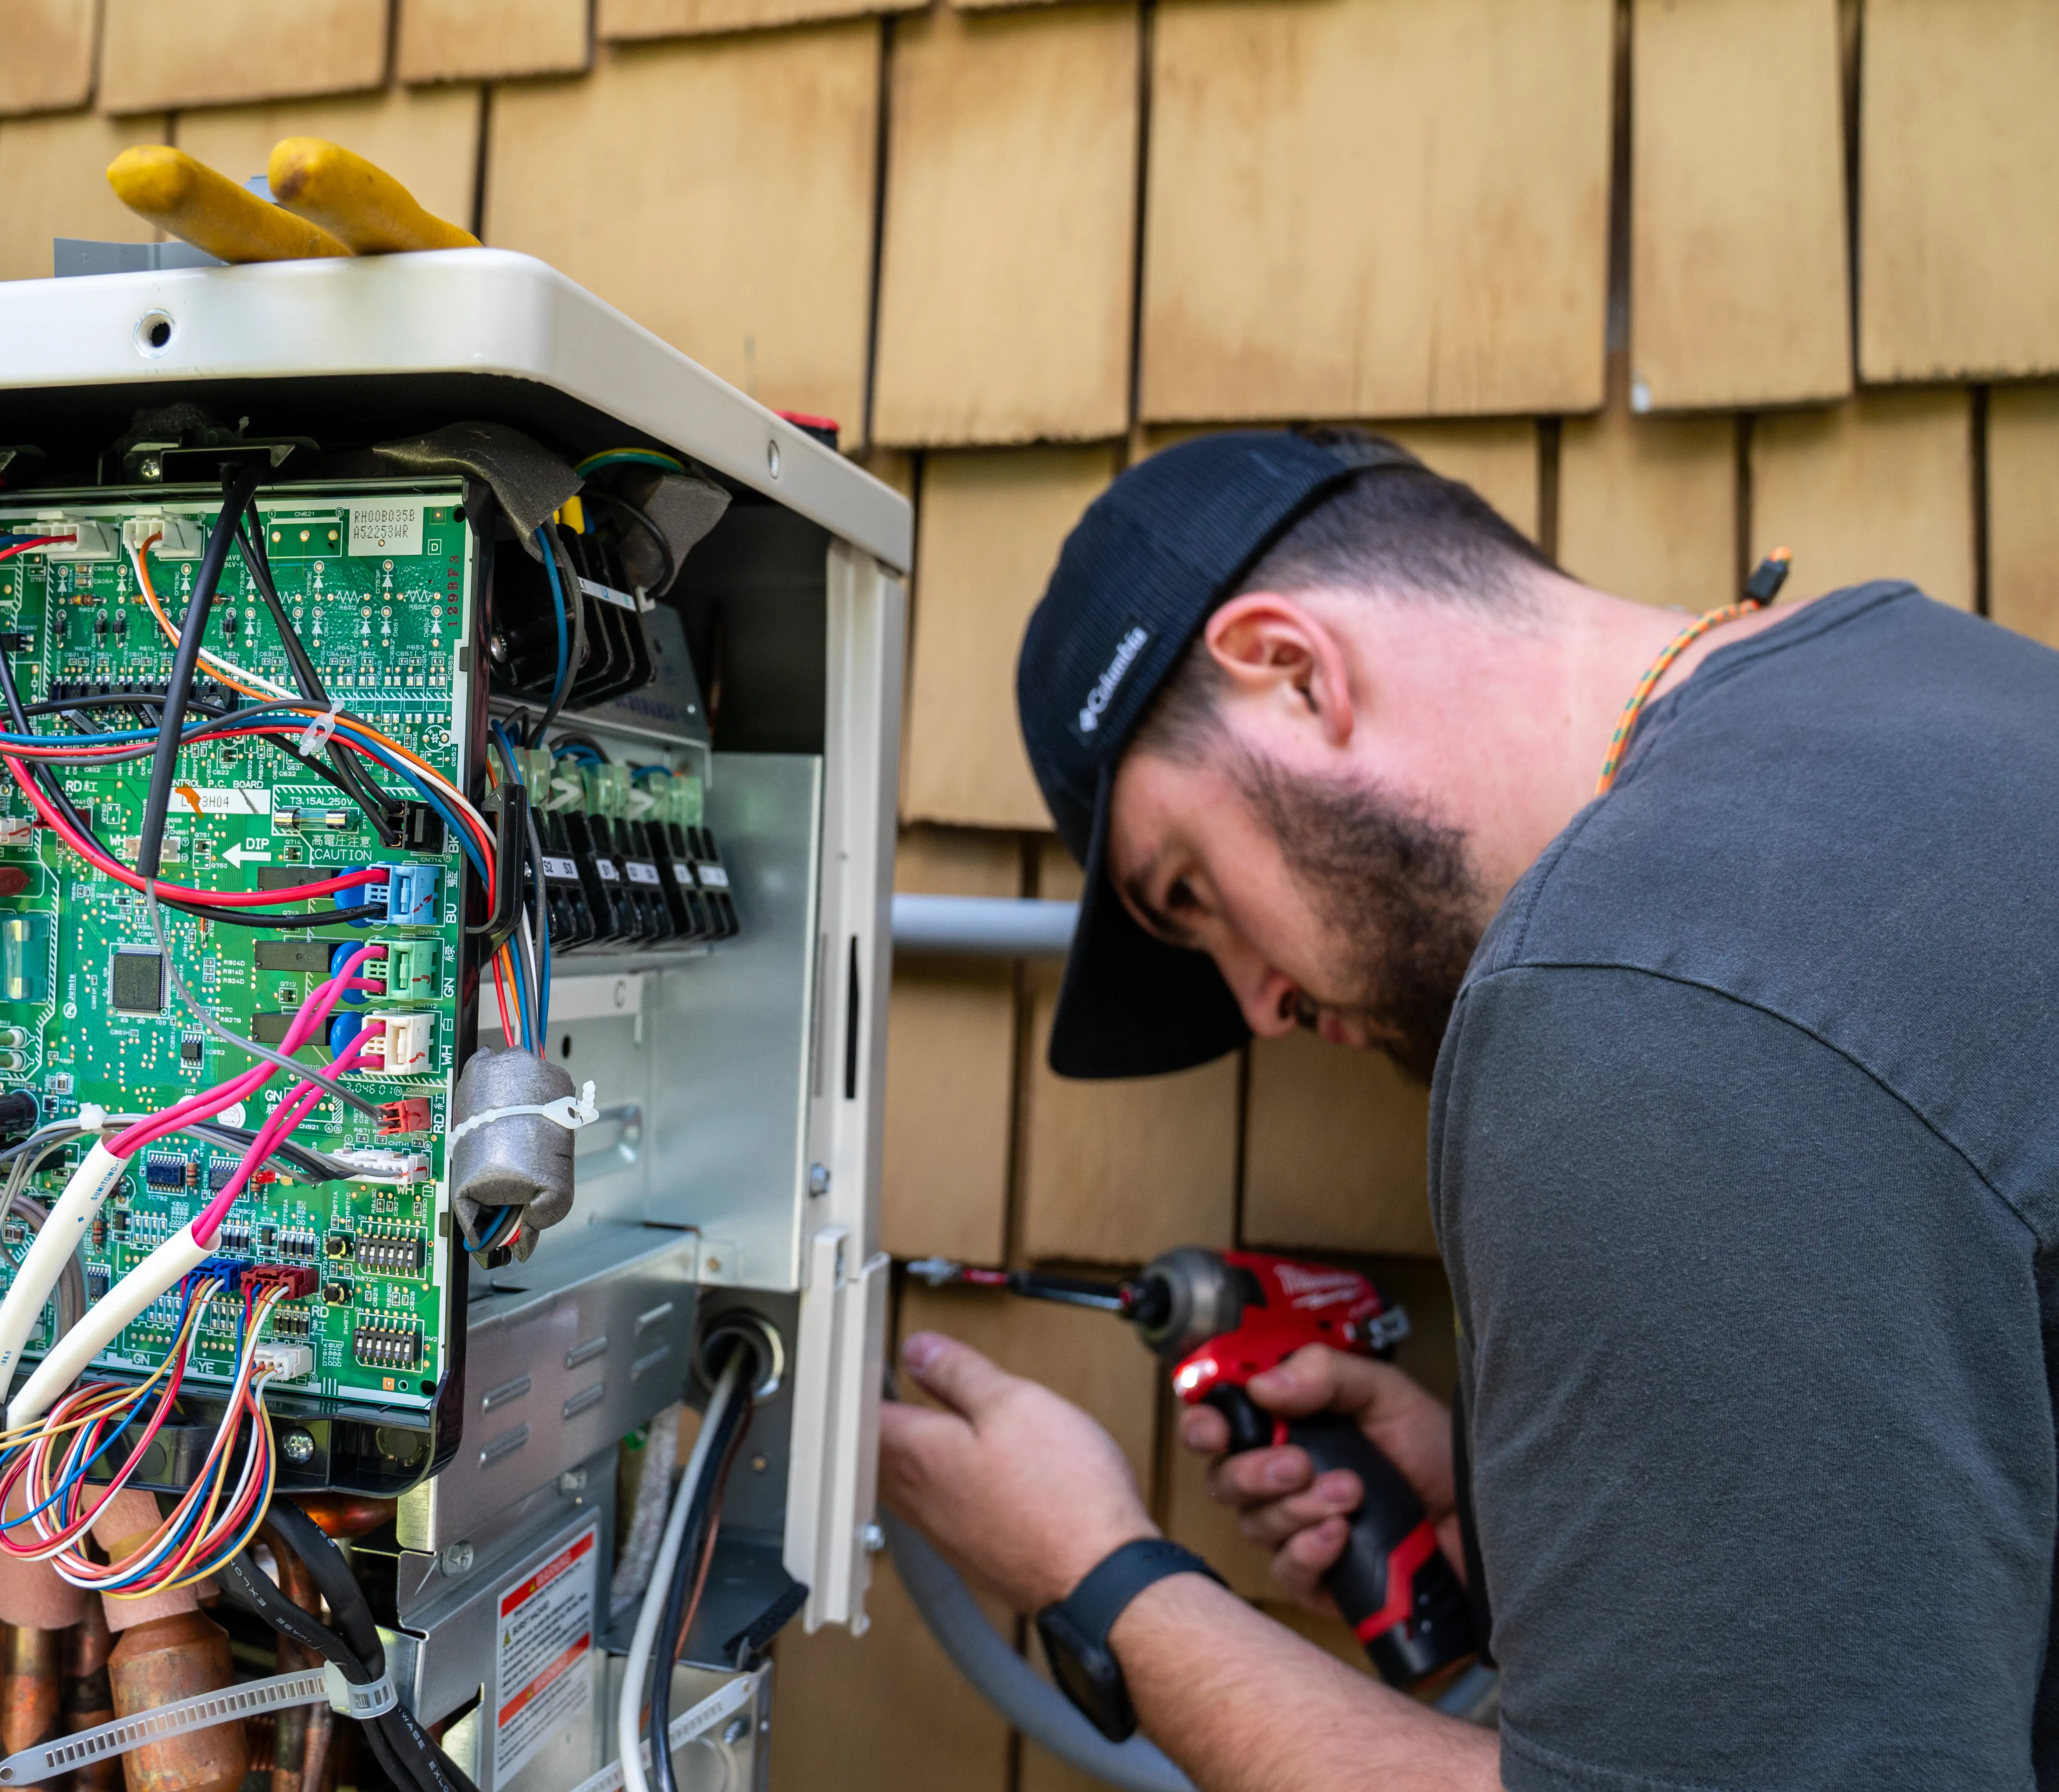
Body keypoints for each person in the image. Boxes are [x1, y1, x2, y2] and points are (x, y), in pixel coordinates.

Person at [876, 428, 2059, 1791]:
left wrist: (1100, 1578)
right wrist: (1527, 1515)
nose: (1259, 1008)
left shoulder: (1635, 994)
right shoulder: (1920, 682)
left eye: (1188, 892)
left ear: (1290, 670)